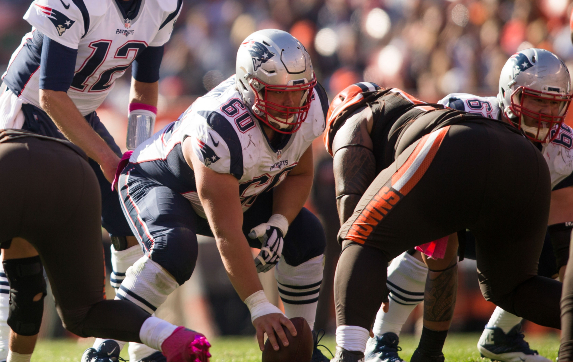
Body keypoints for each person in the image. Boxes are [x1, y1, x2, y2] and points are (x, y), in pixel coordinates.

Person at [0, 0, 181, 360]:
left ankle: (120, 341)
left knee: (126, 220)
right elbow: (51, 95)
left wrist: (134, 151)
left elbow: (145, 86)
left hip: (82, 111)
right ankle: (0, 343)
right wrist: (109, 160)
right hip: (28, 109)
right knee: (21, 234)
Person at [0, 127, 212, 362]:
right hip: (73, 169)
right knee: (83, 313)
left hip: (7, 161)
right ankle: (174, 339)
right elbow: (26, 293)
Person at [108, 29, 329, 361]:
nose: (292, 105)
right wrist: (259, 306)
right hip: (158, 182)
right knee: (175, 248)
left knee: (306, 234)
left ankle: (302, 343)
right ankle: (106, 345)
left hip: (231, 193)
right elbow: (227, 231)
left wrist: (279, 223)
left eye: (298, 92)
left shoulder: (310, 106)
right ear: (251, 88)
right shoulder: (219, 127)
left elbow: (299, 173)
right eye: (279, 94)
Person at [325, 81, 563, 362]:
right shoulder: (413, 119)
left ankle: (349, 355)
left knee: (359, 237)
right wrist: (430, 352)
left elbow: (352, 215)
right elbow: (443, 260)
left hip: (454, 141)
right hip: (528, 158)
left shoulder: (354, 115)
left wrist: (363, 272)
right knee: (515, 287)